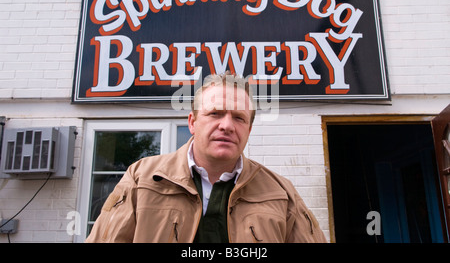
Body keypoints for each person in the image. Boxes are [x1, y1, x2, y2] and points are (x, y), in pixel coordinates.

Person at [85, 72, 327, 243]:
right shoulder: (143, 178)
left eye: (239, 118)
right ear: (192, 122)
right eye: (215, 113)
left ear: (249, 129)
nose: (227, 126)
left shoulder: (281, 193)